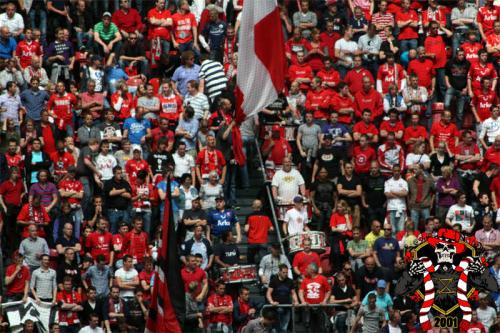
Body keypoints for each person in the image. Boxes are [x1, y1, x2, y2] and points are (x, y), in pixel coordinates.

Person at [299, 263, 331, 332]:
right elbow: (301, 291)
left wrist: (325, 300)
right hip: (309, 308)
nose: (306, 269)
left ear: (312, 270)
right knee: (310, 328)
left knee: (321, 327)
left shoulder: (322, 278)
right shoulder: (305, 280)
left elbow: (328, 290)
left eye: (307, 268)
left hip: (320, 307)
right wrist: (303, 301)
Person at [266, 264, 297, 333]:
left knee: (284, 328)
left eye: (286, 272)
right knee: (276, 329)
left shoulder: (290, 281)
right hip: (277, 308)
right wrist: (272, 302)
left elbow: (293, 293)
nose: (285, 274)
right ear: (279, 272)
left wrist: (296, 301)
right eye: (284, 272)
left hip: (287, 307)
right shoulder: (274, 280)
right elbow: (268, 293)